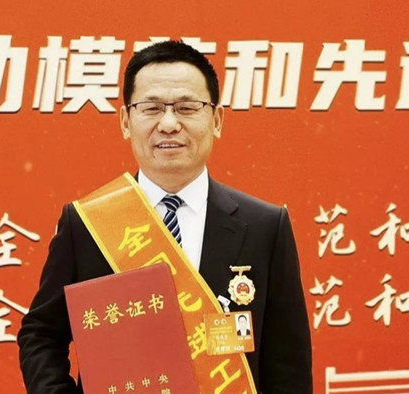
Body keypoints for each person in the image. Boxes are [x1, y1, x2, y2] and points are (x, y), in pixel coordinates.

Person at [17, 40, 312, 393]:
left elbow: (288, 366)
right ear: (126, 121)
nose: (169, 124)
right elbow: (41, 335)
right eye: (152, 108)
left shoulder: (264, 227)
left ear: (216, 120)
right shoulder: (87, 223)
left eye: (187, 108)